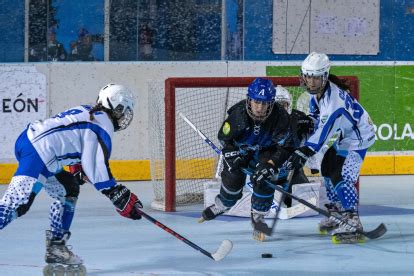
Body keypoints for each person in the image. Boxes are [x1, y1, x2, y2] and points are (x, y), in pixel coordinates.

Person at [0, 83, 141, 271]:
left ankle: (57, 245)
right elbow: (96, 166)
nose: (124, 117)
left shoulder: (90, 111)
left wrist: (77, 166)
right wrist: (118, 194)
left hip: (34, 145)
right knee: (15, 204)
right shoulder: (103, 124)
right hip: (39, 152)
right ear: (118, 107)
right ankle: (56, 244)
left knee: (68, 188)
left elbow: (71, 139)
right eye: (124, 111)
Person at [287, 52, 376, 243]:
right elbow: (316, 120)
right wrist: (305, 123)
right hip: (347, 135)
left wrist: (304, 151)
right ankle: (338, 212)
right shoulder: (317, 94)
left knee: (341, 175)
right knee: (327, 167)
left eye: (315, 77)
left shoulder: (334, 102)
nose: (310, 82)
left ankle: (352, 219)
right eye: (308, 76)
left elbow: (323, 134)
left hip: (359, 138)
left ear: (325, 76)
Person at [199, 77, 292, 241]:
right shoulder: (238, 115)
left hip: (266, 152)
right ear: (249, 100)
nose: (260, 107)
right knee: (232, 178)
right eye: (256, 102)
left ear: (271, 103)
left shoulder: (280, 117)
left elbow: (285, 147)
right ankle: (224, 204)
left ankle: (258, 218)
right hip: (241, 151)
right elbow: (224, 138)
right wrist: (231, 154)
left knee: (264, 178)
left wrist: (271, 165)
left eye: (264, 103)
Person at [274, 85, 315, 207]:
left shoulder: (300, 120)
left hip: (291, 172)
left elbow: (315, 140)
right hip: (268, 173)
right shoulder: (260, 121)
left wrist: (313, 163)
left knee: (306, 202)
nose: (281, 109)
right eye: (277, 105)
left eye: (284, 104)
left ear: (289, 105)